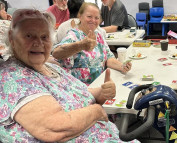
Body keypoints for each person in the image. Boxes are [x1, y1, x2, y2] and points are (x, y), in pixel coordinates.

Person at [0, 8, 139, 143]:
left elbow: (77, 94)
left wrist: (102, 92)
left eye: (44, 37)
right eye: (29, 35)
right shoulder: (14, 77)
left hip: (108, 134)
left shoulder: (50, 67)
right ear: (12, 38)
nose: (39, 43)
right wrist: (96, 111)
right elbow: (55, 128)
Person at [52, 2, 131, 85]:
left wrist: (122, 66)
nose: (93, 21)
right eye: (89, 17)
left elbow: (109, 58)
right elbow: (56, 53)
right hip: (81, 88)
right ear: (80, 16)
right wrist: (81, 45)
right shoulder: (74, 35)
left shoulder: (98, 35)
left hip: (100, 83)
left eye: (97, 18)